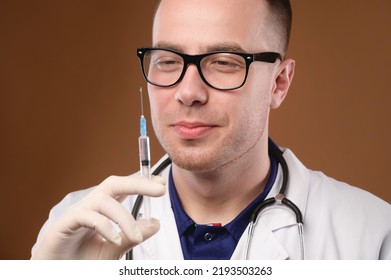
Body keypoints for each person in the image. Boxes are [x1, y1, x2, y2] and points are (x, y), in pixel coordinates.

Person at [31, 0, 391, 260]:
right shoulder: (72, 227)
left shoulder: (372, 236)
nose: (188, 93)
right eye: (168, 61)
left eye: (222, 63)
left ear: (279, 82)